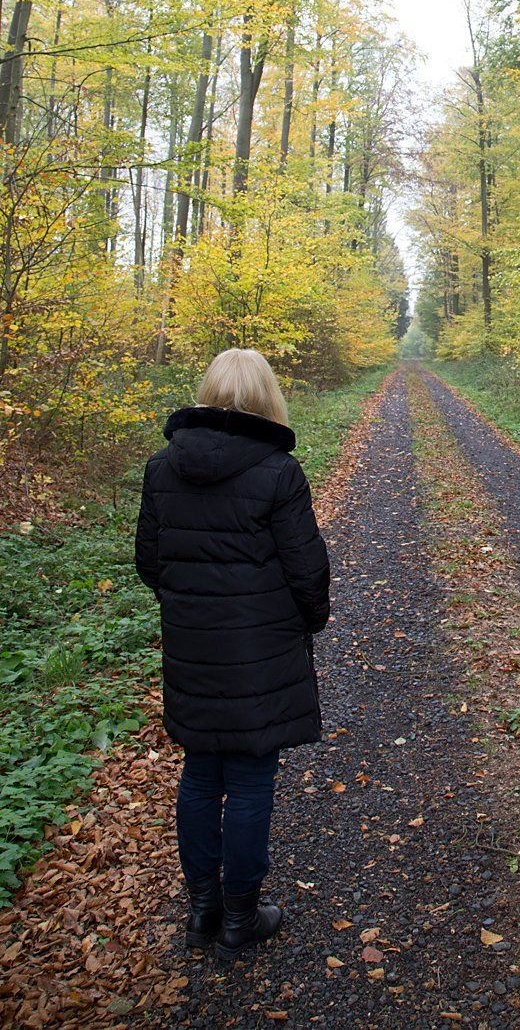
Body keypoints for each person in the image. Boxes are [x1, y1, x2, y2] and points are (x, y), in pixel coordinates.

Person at [135, 348, 331, 962]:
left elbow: (150, 562)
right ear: (267, 398)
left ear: (208, 392)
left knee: (200, 773)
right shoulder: (278, 471)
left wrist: (193, 602)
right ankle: (241, 918)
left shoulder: (162, 467)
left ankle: (201, 913)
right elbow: (307, 571)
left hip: (193, 647)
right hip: (260, 649)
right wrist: (306, 621)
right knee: (249, 779)